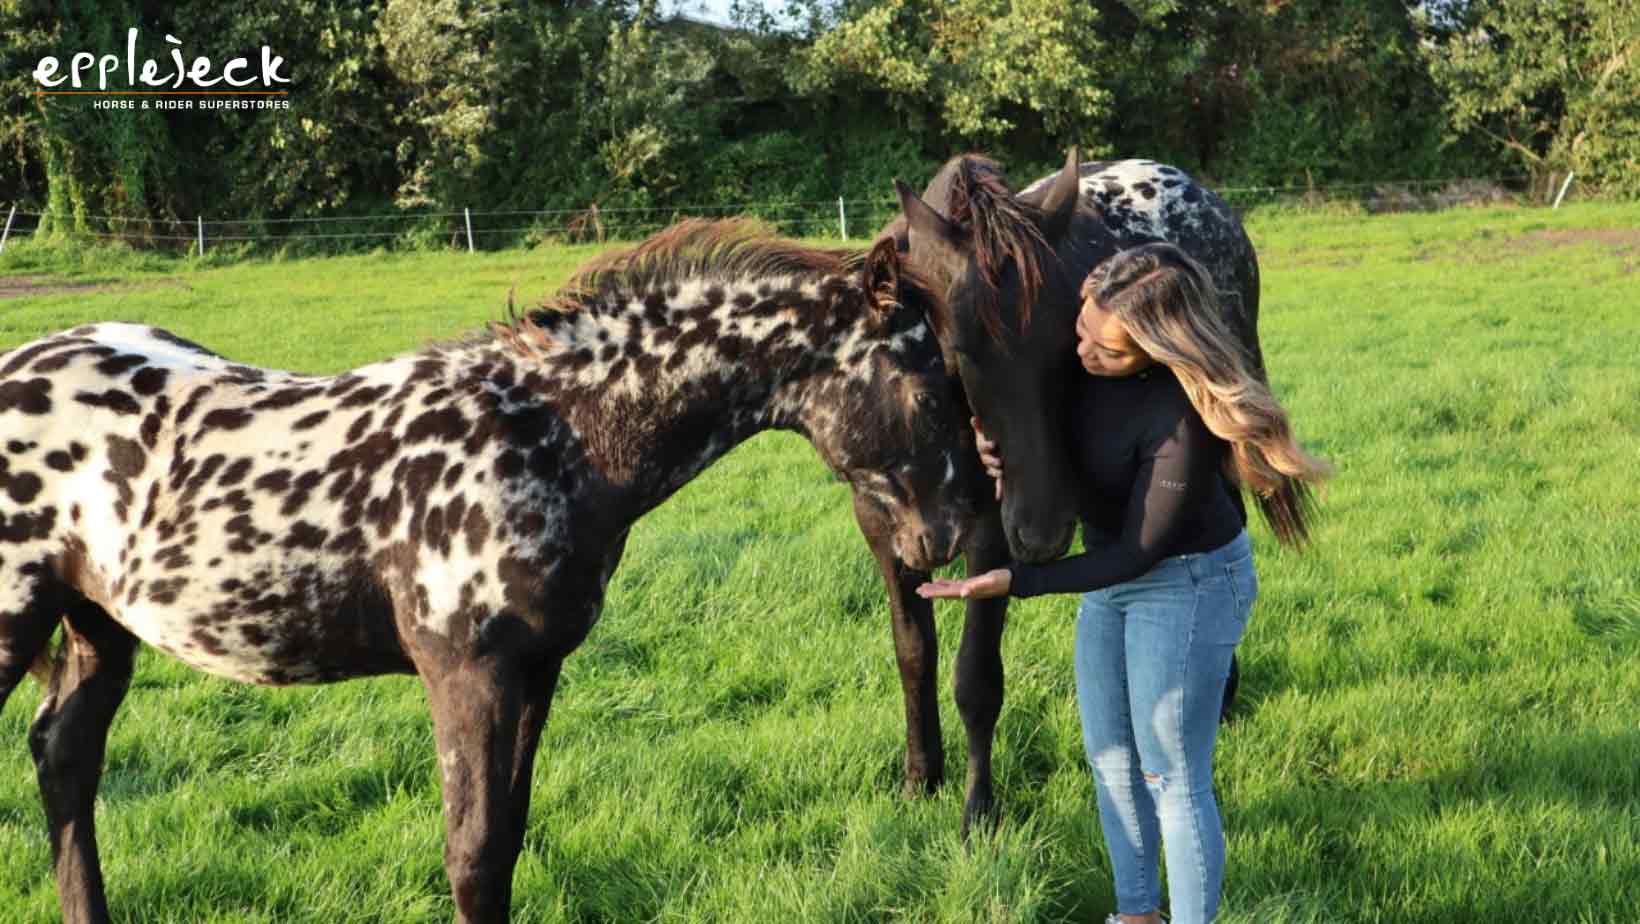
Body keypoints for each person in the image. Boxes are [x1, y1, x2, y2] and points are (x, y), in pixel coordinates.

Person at [917, 243, 1332, 924]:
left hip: (1188, 583)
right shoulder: (1066, 358)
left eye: (1111, 352)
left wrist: (1016, 582)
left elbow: (1137, 552)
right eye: (1085, 330)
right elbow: (1024, 425)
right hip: (1110, 582)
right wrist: (993, 448)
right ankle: (1135, 914)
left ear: (1157, 347)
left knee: (1171, 777)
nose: (1087, 354)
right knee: (1110, 761)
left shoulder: (1177, 419)